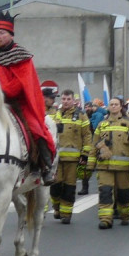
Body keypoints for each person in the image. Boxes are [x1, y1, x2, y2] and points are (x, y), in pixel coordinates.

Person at [0, 11, 56, 182]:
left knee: (35, 129)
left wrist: (2, 90)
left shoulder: (22, 56)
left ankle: (45, 167)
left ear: (10, 35)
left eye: (1, 33)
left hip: (19, 102)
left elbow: (21, 85)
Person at [92, 97, 129, 229]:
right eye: (111, 104)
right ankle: (106, 219)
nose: (113, 106)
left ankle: (125, 214)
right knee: (105, 191)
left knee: (123, 193)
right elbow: (94, 145)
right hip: (104, 165)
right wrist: (90, 164)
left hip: (123, 167)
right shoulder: (102, 125)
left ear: (121, 107)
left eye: (116, 104)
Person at [50, 89, 92, 223]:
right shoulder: (54, 115)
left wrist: (85, 154)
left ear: (73, 101)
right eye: (63, 99)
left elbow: (87, 135)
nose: (66, 102)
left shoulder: (81, 116)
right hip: (56, 159)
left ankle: (66, 214)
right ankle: (56, 207)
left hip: (73, 160)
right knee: (55, 187)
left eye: (68, 99)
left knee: (69, 187)